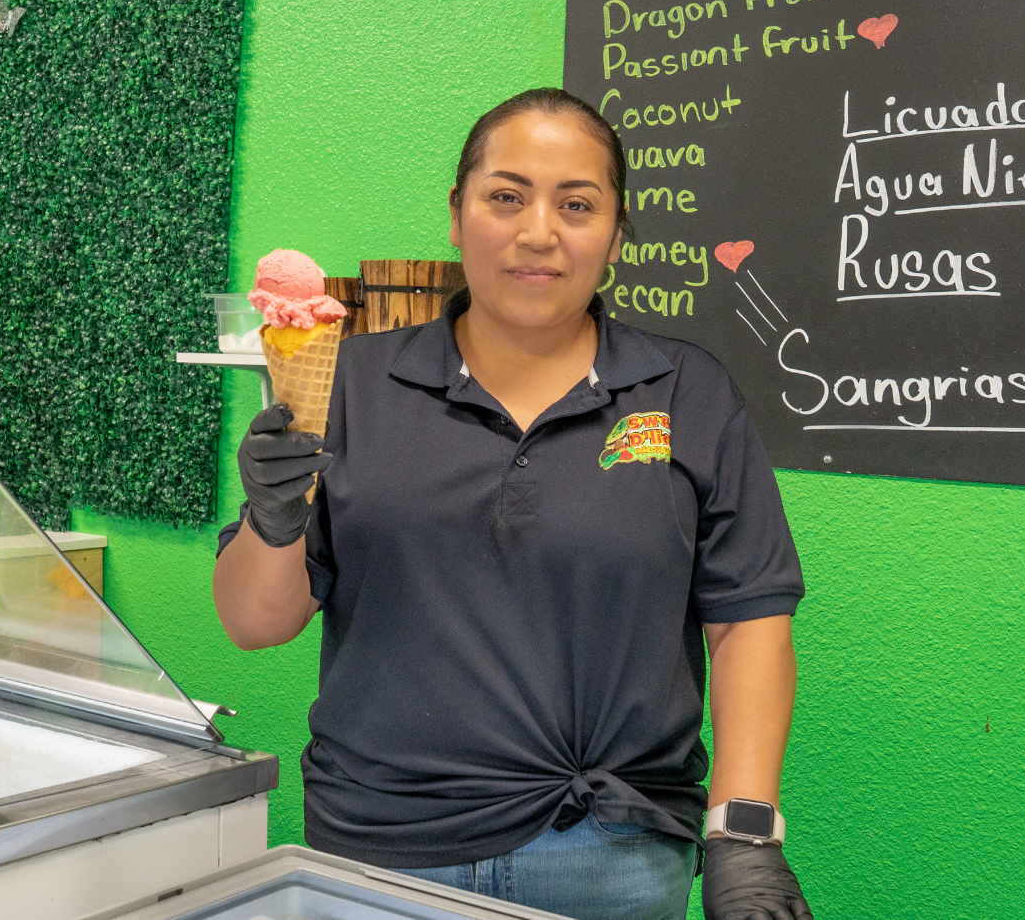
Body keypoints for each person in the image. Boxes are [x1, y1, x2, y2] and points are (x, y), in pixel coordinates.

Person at [214, 88, 815, 920]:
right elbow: (257, 622)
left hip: (613, 856)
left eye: (577, 204)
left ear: (614, 234)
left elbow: (746, 615)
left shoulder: (687, 392)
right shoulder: (353, 384)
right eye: (506, 196)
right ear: (457, 217)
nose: (539, 232)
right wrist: (273, 519)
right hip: (377, 852)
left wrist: (745, 835)